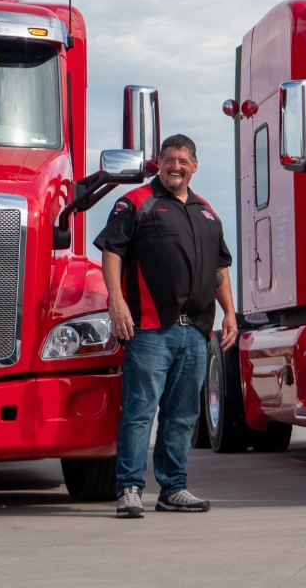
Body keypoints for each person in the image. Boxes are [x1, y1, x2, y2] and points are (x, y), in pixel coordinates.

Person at [94, 135, 237, 519]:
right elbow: (112, 250)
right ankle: (128, 488)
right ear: (158, 163)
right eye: (169, 159)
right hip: (151, 330)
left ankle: (173, 489)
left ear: (195, 165)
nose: (176, 166)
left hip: (196, 332)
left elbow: (220, 270)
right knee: (140, 411)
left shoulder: (207, 212)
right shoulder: (136, 202)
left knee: (183, 415)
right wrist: (116, 300)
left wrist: (230, 314)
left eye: (183, 160)